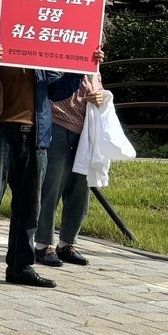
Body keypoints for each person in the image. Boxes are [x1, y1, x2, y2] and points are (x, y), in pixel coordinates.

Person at [0, 47, 89, 290]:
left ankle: (21, 267)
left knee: (30, 206)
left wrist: (80, 68)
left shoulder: (37, 52)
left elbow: (56, 91)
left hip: (36, 137)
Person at [36, 71, 107, 267]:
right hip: (57, 126)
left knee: (80, 191)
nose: (100, 49)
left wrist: (100, 96)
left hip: (84, 132)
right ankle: (43, 245)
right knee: (51, 187)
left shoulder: (95, 67)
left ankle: (68, 243)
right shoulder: (62, 54)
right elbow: (53, 89)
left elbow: (97, 92)